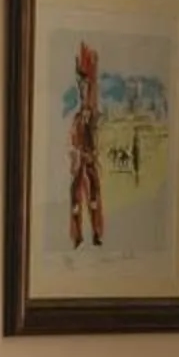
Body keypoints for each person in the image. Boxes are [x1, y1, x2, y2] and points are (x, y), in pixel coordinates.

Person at [67, 42, 105, 249]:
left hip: (87, 159)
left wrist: (89, 153)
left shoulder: (90, 116)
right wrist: (75, 154)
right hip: (80, 160)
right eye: (81, 86)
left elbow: (94, 132)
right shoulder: (78, 118)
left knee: (92, 196)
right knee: (75, 197)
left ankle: (95, 234)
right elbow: (73, 140)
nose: (82, 89)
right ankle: (78, 236)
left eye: (85, 85)